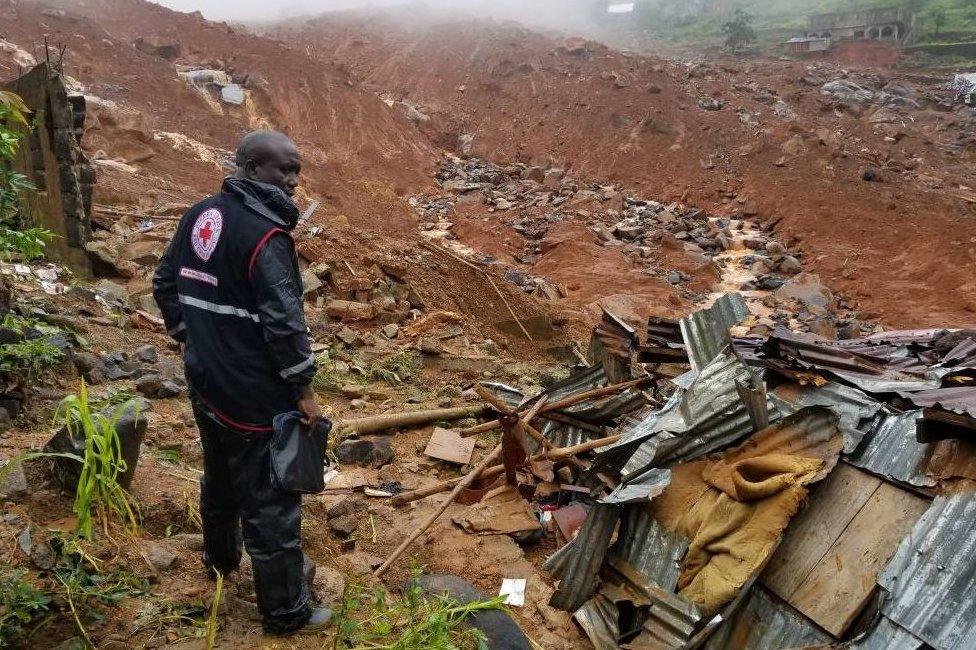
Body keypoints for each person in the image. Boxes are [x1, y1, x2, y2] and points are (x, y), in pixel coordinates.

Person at [153, 130, 331, 635]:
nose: (294, 182)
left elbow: (165, 282)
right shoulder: (264, 236)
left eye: (297, 171)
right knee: (271, 502)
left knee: (219, 475)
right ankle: (285, 613)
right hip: (254, 396)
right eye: (285, 170)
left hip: (206, 382)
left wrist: (189, 336)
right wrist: (304, 392)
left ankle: (220, 562)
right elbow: (284, 325)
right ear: (252, 168)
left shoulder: (199, 215)